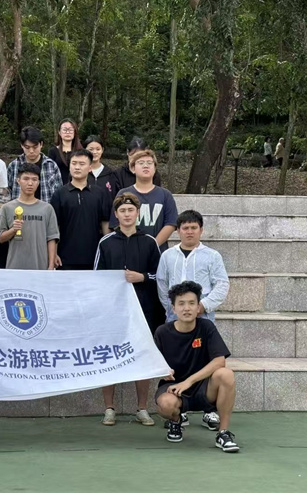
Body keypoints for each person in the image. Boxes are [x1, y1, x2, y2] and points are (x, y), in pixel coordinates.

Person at [94, 193, 164, 426]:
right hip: (113, 311)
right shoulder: (105, 242)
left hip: (143, 309)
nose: (126, 214)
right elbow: (97, 278)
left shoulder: (150, 242)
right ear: (116, 214)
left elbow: (160, 276)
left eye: (130, 210)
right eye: (122, 211)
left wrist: (141, 277)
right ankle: (109, 408)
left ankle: (142, 408)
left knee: (142, 357)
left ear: (137, 213)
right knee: (109, 356)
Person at [156, 209, 230, 430]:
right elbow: (162, 283)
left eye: (194, 228)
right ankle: (180, 410)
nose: (189, 232)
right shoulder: (168, 256)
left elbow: (222, 284)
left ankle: (210, 410)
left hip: (203, 317)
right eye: (185, 228)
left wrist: (201, 306)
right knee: (179, 361)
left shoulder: (212, 256)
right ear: (178, 231)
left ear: (201, 230)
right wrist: (174, 308)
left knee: (208, 361)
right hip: (175, 318)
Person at [154, 281, 239, 453]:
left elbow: (219, 361)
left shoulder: (206, 327)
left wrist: (189, 382)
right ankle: (176, 422)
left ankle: (223, 433)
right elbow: (152, 362)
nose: (187, 308)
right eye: (181, 304)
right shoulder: (162, 332)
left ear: (198, 306)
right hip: (174, 388)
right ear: (173, 308)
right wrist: (162, 371)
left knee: (226, 374)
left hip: (203, 388)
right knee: (166, 404)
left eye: (192, 303)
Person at [51, 149, 110, 270]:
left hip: (94, 255)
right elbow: (54, 226)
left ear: (90, 168)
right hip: (65, 257)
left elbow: (105, 222)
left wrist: (108, 250)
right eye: (74, 163)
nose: (77, 167)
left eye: (82, 164)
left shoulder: (100, 193)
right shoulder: (60, 194)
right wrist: (54, 253)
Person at [109, 149, 178, 252]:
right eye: (141, 163)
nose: (146, 166)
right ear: (133, 168)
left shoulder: (165, 195)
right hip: (129, 250)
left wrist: (152, 245)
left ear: (155, 168)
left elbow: (171, 223)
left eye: (149, 163)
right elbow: (115, 223)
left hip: (157, 251)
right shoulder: (123, 194)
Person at [0, 163, 60, 270]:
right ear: (18, 181)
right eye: (26, 179)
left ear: (38, 182)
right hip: (15, 267)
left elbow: (52, 238)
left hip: (41, 267)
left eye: (34, 179)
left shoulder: (47, 208)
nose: (30, 183)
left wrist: (50, 266)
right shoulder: (7, 208)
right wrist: (13, 230)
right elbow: (0, 238)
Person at [7, 126, 63, 203]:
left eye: (35, 147)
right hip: (19, 209)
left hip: (45, 208)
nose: (31, 151)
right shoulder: (14, 166)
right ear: (22, 145)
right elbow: (7, 192)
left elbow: (59, 192)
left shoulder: (51, 165)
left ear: (41, 144)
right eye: (27, 147)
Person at [48, 118, 83, 184]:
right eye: (64, 130)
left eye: (70, 130)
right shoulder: (53, 151)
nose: (67, 132)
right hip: (58, 186)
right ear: (59, 132)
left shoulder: (81, 151)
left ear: (75, 132)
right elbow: (50, 173)